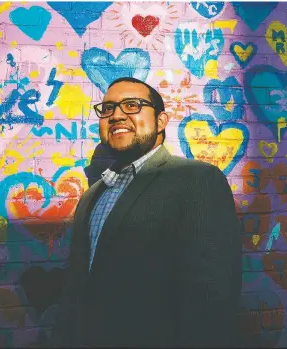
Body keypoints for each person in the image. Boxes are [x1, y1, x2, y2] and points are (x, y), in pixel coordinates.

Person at [49, 77, 242, 348]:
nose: (116, 115)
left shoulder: (196, 180)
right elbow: (77, 288)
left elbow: (212, 294)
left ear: (161, 121)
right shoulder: (94, 194)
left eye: (132, 105)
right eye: (107, 109)